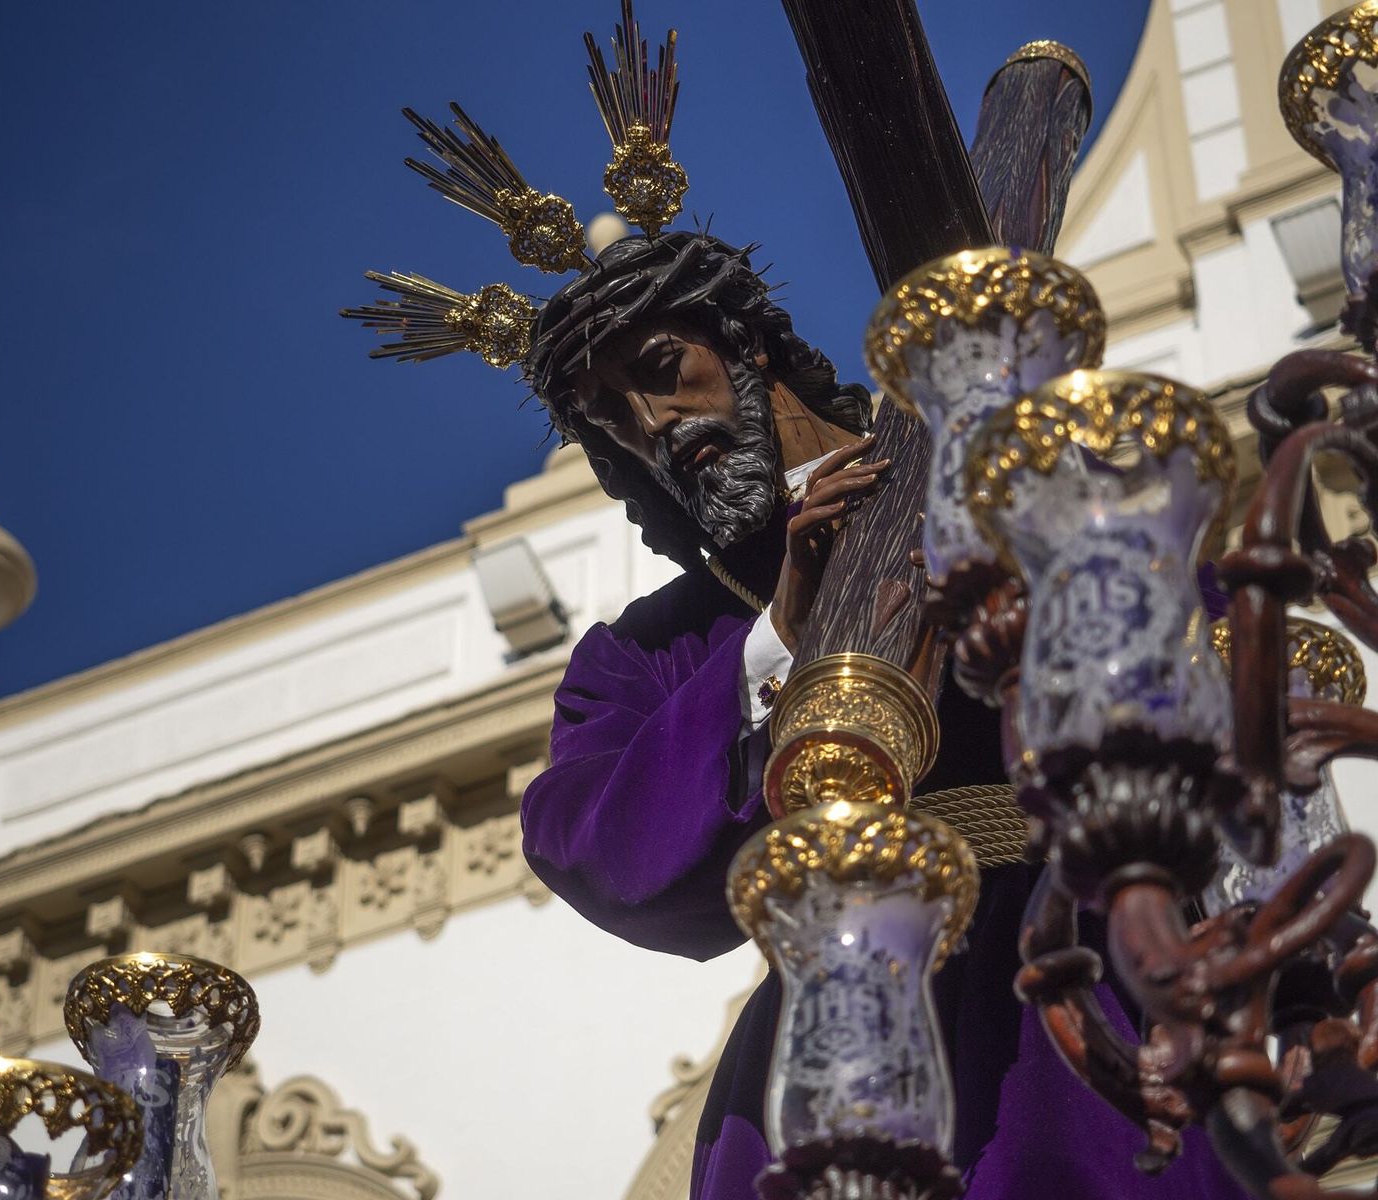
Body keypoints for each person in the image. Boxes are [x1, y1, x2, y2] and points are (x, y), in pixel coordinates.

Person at [517, 230, 1249, 1200]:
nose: (654, 420)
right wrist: (778, 637)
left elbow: (1213, 677)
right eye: (610, 418)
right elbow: (599, 851)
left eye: (664, 369)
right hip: (833, 1045)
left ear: (750, 345)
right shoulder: (648, 652)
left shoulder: (994, 482)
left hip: (1071, 980)